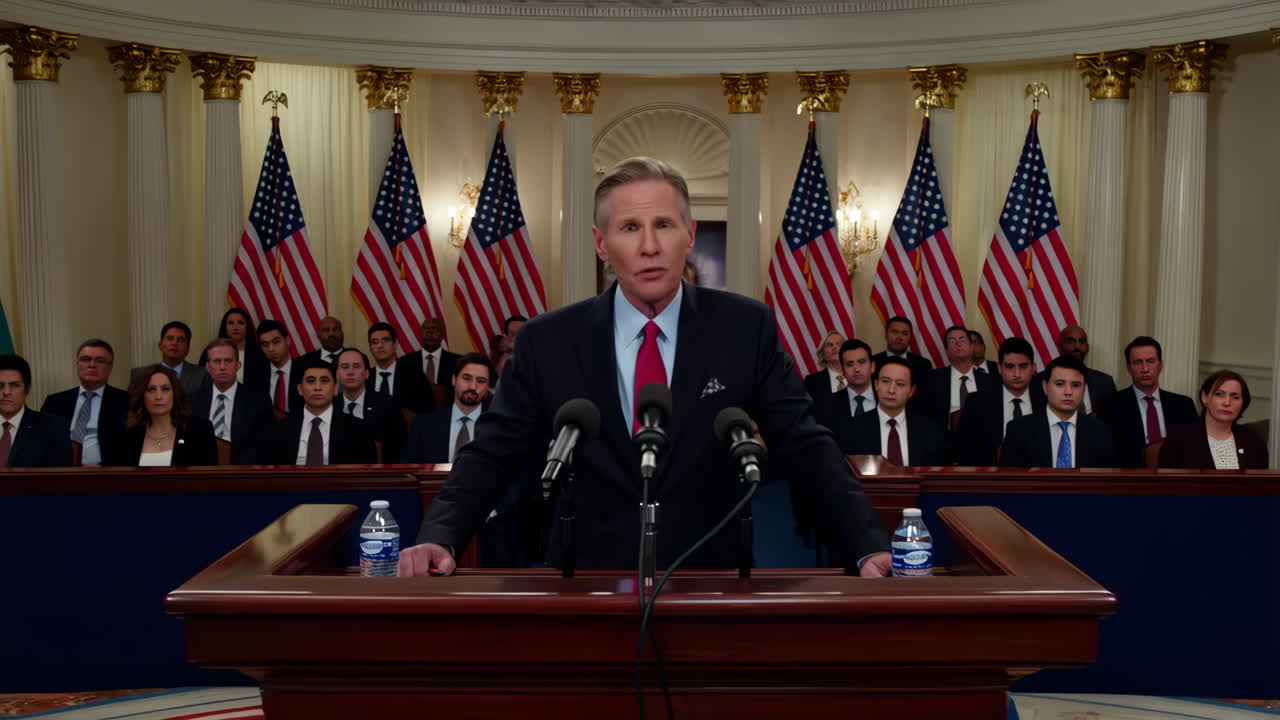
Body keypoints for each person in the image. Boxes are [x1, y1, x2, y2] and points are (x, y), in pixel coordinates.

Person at [399, 156, 889, 577]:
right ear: (601, 243)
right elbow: (492, 453)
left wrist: (868, 543)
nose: (650, 246)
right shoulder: (547, 341)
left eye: (664, 226)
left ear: (689, 235)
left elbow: (806, 444)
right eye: (630, 228)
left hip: (709, 575)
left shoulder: (744, 327)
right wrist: (441, 534)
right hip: (584, 577)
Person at [1097, 336, 1198, 468]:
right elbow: (1104, 453)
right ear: (1128, 368)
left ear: (1160, 365)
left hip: (1175, 480)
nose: (1145, 369)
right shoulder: (1110, 405)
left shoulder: (1183, 405)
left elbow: (1194, 448)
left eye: (1150, 361)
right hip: (1128, 480)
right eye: (1138, 362)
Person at [1001, 356, 1117, 468]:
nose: (1068, 392)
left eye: (1076, 385)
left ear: (1084, 389)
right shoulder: (1019, 429)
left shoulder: (1100, 432)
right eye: (1060, 384)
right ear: (1045, 387)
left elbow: (1107, 482)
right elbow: (1009, 482)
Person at [832, 356, 946, 466]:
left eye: (900, 384)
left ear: (912, 391)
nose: (891, 390)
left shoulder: (931, 431)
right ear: (876, 385)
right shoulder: (851, 429)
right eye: (886, 381)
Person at [265, 360, 377, 465]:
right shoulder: (280, 430)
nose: (317, 387)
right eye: (310, 381)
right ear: (300, 389)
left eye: (324, 381)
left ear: (335, 389)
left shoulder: (359, 430)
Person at [40, 339, 130, 466]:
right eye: (86, 359)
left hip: (108, 475)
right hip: (62, 474)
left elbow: (131, 447)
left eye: (100, 360)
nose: (92, 365)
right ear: (77, 364)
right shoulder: (55, 402)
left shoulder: (126, 401)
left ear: (110, 367)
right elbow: (42, 443)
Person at [1158, 370, 1269, 469]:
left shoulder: (1253, 441)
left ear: (1243, 403)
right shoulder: (1179, 438)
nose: (1227, 402)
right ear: (1205, 397)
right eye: (1219, 394)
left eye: (1235, 397)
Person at [955, 337, 1039, 466]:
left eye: (1023, 366)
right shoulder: (977, 402)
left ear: (1033, 368)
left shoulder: (1046, 400)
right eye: (1009, 366)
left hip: (1038, 478)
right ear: (999, 368)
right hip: (990, 479)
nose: (1016, 374)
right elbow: (965, 452)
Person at [115, 364, 218, 466]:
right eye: (151, 389)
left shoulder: (199, 429)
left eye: (165, 389)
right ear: (142, 396)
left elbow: (209, 477)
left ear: (175, 393)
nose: (158, 396)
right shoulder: (129, 433)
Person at [190, 339, 273, 464]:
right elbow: (184, 441)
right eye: (217, 361)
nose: (222, 367)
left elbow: (265, 444)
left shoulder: (258, 400)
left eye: (228, 361)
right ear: (207, 367)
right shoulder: (192, 400)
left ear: (238, 365)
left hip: (243, 471)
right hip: (201, 469)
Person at [402, 353, 493, 464]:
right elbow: (409, 470)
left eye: (480, 381)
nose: (473, 387)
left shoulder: (499, 428)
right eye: (467, 378)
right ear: (454, 380)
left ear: (488, 387)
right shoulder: (423, 424)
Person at [334, 347, 406, 463]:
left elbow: (399, 449)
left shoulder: (388, 405)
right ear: (337, 374)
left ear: (367, 373)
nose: (350, 372)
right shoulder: (329, 406)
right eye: (345, 367)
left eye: (356, 366)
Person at [0, 354, 72, 468]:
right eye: (0, 385)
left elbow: (60, 480)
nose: (6, 392)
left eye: (15, 385)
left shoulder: (54, 428)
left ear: (27, 389)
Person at [920, 326, 996, 432]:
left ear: (971, 347)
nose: (958, 343)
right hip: (941, 443)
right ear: (946, 351)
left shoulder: (990, 381)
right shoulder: (931, 379)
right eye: (952, 341)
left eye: (962, 339)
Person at [1029, 324, 1117, 415]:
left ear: (1087, 347)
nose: (1077, 346)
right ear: (1059, 346)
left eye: (1081, 342)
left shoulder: (1105, 382)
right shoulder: (1038, 381)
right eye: (1071, 341)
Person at [367, 322, 431, 413]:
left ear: (395, 345)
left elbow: (427, 410)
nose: (379, 346)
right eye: (374, 342)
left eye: (385, 340)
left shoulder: (414, 375)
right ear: (370, 347)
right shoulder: (364, 377)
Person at [130, 321, 208, 396]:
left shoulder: (202, 374)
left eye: (180, 340)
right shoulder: (139, 375)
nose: (174, 343)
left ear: (188, 349)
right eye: (170, 338)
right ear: (160, 345)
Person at [196, 307, 268, 384]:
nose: (235, 327)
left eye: (240, 323)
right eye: (231, 323)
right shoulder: (211, 351)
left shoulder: (258, 353)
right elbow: (201, 380)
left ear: (247, 327)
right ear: (225, 327)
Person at [819, 338, 876, 427]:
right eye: (850, 364)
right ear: (842, 370)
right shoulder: (827, 405)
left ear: (872, 367)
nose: (856, 369)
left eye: (861, 362)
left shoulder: (887, 399)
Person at [257, 319, 302, 419]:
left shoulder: (304, 372)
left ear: (287, 341)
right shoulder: (255, 375)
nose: (271, 349)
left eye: (276, 342)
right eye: (265, 344)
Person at [871, 316, 933, 385]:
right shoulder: (872, 363)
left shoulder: (923, 365)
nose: (899, 337)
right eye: (894, 332)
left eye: (904, 333)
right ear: (886, 334)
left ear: (910, 337)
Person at [803, 331, 846, 405]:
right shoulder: (812, 381)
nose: (835, 347)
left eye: (839, 344)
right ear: (823, 354)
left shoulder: (858, 378)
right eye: (830, 345)